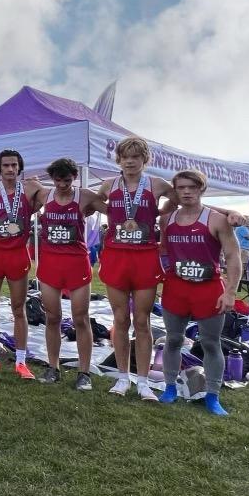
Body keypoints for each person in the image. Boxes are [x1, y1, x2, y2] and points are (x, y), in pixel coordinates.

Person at [94, 136, 175, 400]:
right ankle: (122, 378)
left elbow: (176, 200)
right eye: (125, 157)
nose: (130, 161)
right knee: (120, 320)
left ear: (144, 160)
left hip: (144, 257)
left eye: (136, 157)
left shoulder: (156, 184)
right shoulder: (108, 185)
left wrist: (159, 214)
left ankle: (143, 381)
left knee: (142, 320)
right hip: (117, 257)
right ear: (119, 160)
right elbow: (95, 203)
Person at [159, 170, 241, 415]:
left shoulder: (216, 220)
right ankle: (170, 386)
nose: (186, 192)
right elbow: (162, 250)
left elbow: (233, 255)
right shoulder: (167, 219)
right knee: (173, 339)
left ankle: (213, 395)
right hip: (176, 287)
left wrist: (231, 292)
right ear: (175, 191)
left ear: (201, 189)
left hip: (208, 288)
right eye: (181, 187)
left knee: (210, 343)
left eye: (192, 187)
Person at [32, 158, 101, 390]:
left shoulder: (85, 196)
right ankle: (53, 367)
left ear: (75, 178)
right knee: (52, 317)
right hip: (50, 264)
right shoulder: (45, 195)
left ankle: (84, 372)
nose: (63, 184)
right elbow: (23, 186)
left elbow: (117, 209)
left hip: (77, 265)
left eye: (68, 180)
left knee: (80, 318)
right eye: (59, 179)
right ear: (52, 179)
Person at [0, 149, 43, 379]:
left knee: (18, 309)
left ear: (20, 168)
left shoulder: (32, 189)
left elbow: (58, 197)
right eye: (6, 166)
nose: (11, 169)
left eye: (14, 165)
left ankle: (21, 363)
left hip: (17, 254)